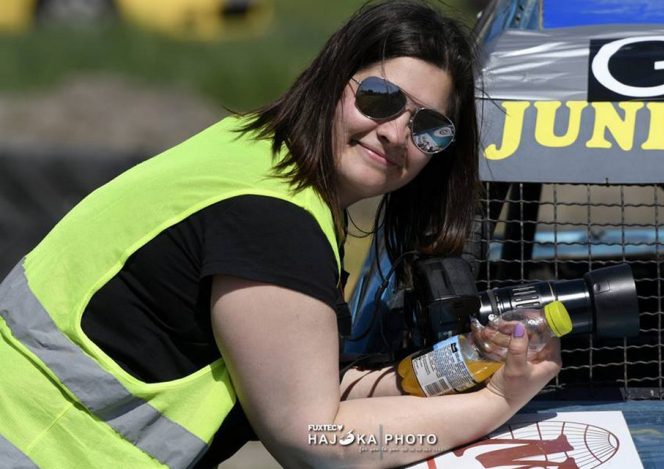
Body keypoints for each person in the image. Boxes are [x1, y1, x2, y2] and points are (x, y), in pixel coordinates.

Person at [0, 1, 562, 468]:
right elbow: (317, 439)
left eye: (428, 126)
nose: (395, 134)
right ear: (331, 80)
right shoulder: (273, 221)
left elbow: (319, 387)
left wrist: (462, 365)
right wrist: (497, 403)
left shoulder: (254, 153)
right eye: (379, 98)